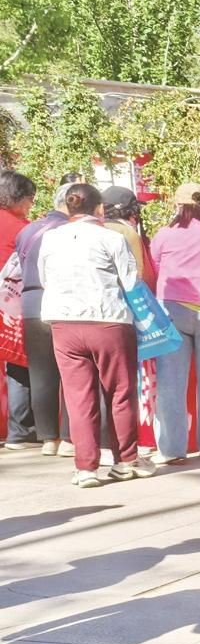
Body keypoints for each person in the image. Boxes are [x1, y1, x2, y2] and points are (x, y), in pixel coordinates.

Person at [39, 184, 153, 487]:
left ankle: (86, 467)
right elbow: (130, 281)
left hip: (63, 322)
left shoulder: (50, 237)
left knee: (78, 397)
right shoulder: (112, 238)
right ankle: (125, 460)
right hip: (108, 321)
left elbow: (44, 277)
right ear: (99, 209)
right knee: (120, 393)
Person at [148, 185, 200, 463]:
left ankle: (172, 449)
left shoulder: (164, 234)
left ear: (177, 205)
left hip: (172, 309)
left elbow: (155, 269)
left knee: (171, 382)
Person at [14, 180, 72, 456]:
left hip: (30, 303)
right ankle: (69, 438)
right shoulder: (69, 231)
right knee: (73, 371)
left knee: (40, 374)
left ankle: (49, 439)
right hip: (62, 303)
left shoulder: (28, 230)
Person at [1, 171, 39, 448]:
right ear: (17, 198)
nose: (30, 205)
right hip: (12, 308)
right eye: (30, 199)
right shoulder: (23, 229)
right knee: (19, 362)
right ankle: (21, 430)